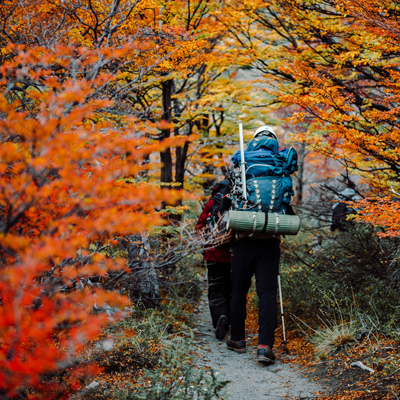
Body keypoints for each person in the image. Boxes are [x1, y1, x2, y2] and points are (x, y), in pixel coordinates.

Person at [226, 126, 281, 363]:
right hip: (270, 240)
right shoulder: (280, 164)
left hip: (243, 240)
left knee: (239, 290)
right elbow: (288, 203)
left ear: (254, 141)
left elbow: (232, 197)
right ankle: (264, 347)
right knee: (267, 294)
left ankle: (237, 339)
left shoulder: (243, 161)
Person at [196, 181, 232, 340]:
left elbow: (200, 227)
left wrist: (205, 246)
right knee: (232, 288)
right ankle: (231, 321)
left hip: (213, 254)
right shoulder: (238, 203)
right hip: (234, 254)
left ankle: (220, 317)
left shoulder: (211, 203)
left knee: (216, 288)